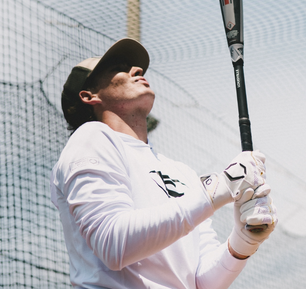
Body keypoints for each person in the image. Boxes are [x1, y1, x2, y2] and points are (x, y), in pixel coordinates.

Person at [50, 38, 277, 289]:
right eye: (118, 68)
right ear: (89, 95)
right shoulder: (91, 137)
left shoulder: (181, 171)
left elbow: (202, 282)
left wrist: (243, 242)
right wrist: (217, 189)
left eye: (135, 68)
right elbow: (114, 246)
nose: (137, 70)